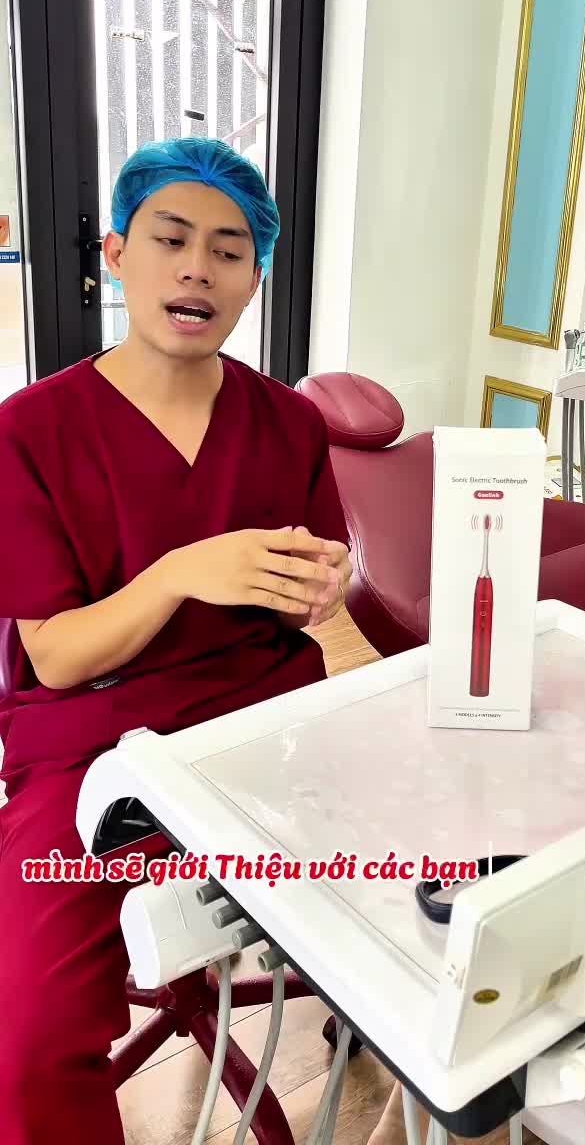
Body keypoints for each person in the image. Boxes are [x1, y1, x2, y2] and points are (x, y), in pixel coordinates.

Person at [0, 137, 352, 1144]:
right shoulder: (31, 431)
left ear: (254, 279)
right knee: (26, 1041)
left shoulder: (289, 423)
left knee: (429, 905)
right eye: (170, 239)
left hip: (265, 727)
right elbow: (57, 655)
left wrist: (324, 594)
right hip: (94, 752)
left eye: (230, 251)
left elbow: (311, 607)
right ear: (117, 254)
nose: (198, 268)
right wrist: (176, 573)